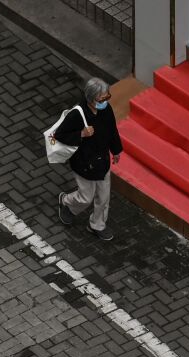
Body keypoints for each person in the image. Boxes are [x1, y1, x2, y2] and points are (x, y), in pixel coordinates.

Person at [54, 77, 123, 241]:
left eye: (107, 97)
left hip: (102, 161)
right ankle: (67, 202)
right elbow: (60, 135)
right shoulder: (77, 114)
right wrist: (81, 134)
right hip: (84, 163)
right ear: (91, 98)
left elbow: (112, 130)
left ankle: (97, 225)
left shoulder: (106, 110)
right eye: (102, 98)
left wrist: (116, 150)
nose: (106, 100)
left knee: (103, 197)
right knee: (86, 197)